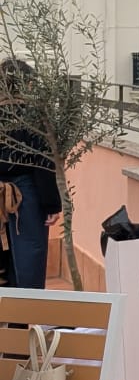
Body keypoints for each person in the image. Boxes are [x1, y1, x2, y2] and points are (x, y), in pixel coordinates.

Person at [0, 61, 61, 288]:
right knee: (29, 258)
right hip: (27, 192)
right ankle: (26, 318)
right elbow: (42, 162)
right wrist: (52, 205)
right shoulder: (34, 117)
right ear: (28, 83)